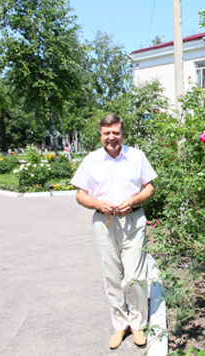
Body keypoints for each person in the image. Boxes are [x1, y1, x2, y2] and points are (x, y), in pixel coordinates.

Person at [70, 114, 157, 349]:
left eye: (116, 133)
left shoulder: (136, 156)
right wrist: (98, 204)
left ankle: (137, 324)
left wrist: (134, 199)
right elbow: (80, 194)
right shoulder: (91, 160)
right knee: (112, 275)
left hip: (133, 220)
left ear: (123, 134)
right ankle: (120, 324)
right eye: (107, 133)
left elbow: (150, 188)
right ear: (101, 135)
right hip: (104, 222)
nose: (112, 137)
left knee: (135, 275)